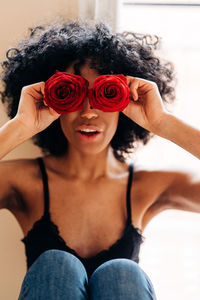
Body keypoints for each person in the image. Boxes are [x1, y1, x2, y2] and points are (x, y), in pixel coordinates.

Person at [0, 19, 199, 300]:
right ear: (51, 101)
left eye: (105, 95)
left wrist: (163, 122)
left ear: (126, 103)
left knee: (122, 272)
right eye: (72, 94)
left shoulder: (149, 186)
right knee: (56, 265)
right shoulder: (24, 182)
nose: (89, 112)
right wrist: (20, 126)